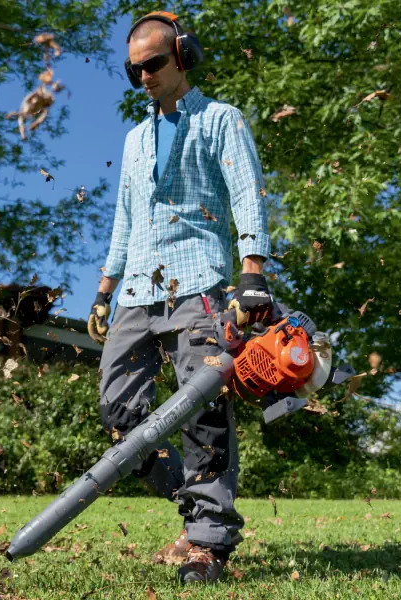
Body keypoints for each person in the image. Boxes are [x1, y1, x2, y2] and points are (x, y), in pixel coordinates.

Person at [86, 11, 275, 585]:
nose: (142, 75)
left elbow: (247, 196)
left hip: (202, 285)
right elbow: (124, 220)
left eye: (153, 63)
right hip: (140, 290)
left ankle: (208, 541)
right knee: (118, 411)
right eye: (132, 68)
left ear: (182, 57)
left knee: (202, 413)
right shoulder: (136, 137)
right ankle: (192, 500)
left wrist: (253, 275)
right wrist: (103, 290)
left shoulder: (220, 121)